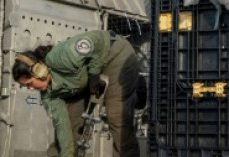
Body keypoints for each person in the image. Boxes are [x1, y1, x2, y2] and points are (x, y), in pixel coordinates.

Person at [13, 29, 140, 157]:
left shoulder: (62, 56)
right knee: (71, 122)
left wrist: (94, 73)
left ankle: (137, 90)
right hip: (83, 81)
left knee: (116, 115)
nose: (30, 89)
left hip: (114, 55)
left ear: (38, 71)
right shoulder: (48, 96)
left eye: (29, 83)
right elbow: (62, 126)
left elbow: (98, 39)